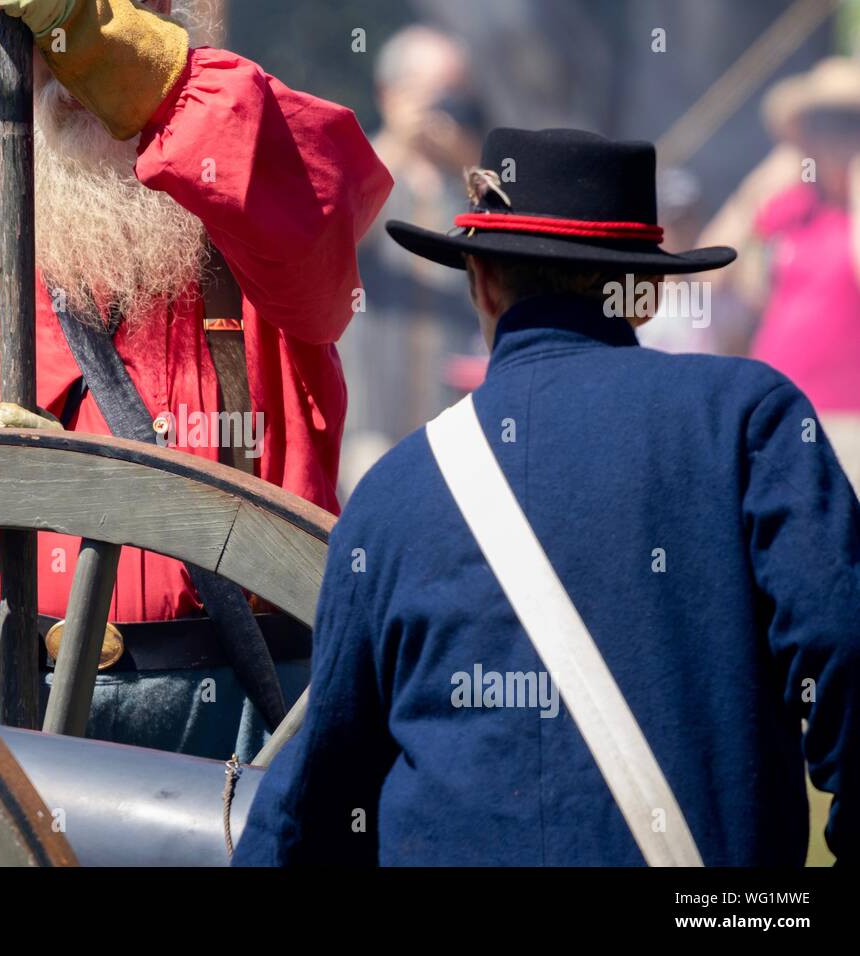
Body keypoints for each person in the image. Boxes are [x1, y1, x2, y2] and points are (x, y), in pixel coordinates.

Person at [236, 128, 859, 865]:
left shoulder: (392, 492)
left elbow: (323, 790)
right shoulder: (747, 416)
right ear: (648, 290)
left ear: (480, 280)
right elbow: (842, 646)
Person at [0, 0, 392, 760]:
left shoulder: (251, 190)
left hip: (247, 716)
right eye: (44, 43)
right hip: (21, 700)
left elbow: (323, 193)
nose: (71, 70)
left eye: (105, 29)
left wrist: (91, 34)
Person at [339, 26, 486, 497]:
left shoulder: (463, 182)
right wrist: (400, 142)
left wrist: (467, 161)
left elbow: (515, 236)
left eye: (454, 96)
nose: (445, 109)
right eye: (433, 95)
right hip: (368, 427)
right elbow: (340, 234)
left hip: (456, 427)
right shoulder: (357, 166)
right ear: (390, 93)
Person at [702, 58, 860, 490]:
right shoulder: (795, 211)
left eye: (847, 124)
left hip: (849, 421)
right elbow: (709, 274)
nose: (829, 140)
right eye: (818, 125)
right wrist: (755, 192)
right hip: (778, 412)